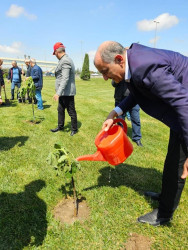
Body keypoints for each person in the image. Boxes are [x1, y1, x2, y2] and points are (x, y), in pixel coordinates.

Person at [94, 41, 188, 226]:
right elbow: (136, 93)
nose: (105, 78)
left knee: (177, 165)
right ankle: (165, 196)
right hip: (180, 116)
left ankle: (164, 215)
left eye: (105, 71)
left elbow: (183, 104)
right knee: (171, 160)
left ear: (119, 59)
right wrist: (115, 113)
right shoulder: (132, 65)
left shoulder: (146, 68)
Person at [51, 42, 78, 136]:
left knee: (71, 111)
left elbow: (65, 78)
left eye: (55, 54)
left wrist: (58, 93)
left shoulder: (65, 60)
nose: (55, 56)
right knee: (60, 110)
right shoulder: (63, 60)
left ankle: (74, 129)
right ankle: (60, 126)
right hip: (63, 92)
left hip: (67, 92)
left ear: (57, 52)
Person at [112, 79, 143, 146]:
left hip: (134, 99)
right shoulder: (118, 71)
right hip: (120, 99)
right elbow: (113, 84)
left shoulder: (133, 70)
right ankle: (121, 137)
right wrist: (116, 81)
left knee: (136, 119)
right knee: (120, 120)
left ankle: (137, 138)